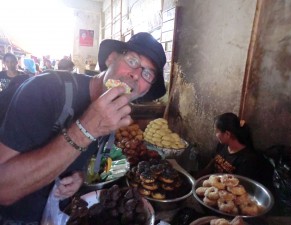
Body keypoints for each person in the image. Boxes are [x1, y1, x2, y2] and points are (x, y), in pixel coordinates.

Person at [0, 32, 166, 224]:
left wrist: (79, 176)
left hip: (59, 214)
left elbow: (87, 161)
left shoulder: (114, 108)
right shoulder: (45, 91)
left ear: (145, 90)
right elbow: (3, 189)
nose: (136, 75)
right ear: (110, 58)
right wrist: (85, 129)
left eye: (147, 73)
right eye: (132, 60)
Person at [194, 112, 272, 187]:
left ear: (227, 134)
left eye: (217, 131)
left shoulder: (247, 160)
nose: (216, 135)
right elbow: (212, 164)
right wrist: (196, 179)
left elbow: (237, 189)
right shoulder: (222, 145)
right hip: (212, 184)